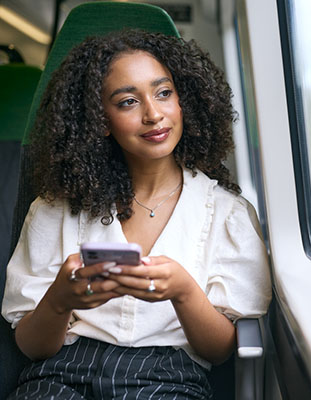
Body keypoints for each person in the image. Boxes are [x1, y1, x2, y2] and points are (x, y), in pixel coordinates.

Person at [1, 29, 271, 399]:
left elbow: (220, 351)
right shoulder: (54, 208)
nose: (153, 114)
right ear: (100, 120)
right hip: (59, 374)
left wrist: (182, 291)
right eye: (128, 102)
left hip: (168, 378)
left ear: (184, 101)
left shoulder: (228, 214)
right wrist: (60, 299)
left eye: (164, 93)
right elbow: (32, 348)